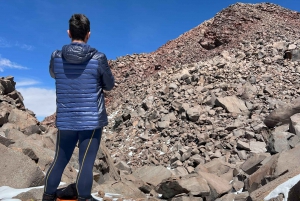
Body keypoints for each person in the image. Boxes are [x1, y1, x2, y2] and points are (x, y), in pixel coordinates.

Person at [42, 14, 115, 201]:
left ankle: (48, 197)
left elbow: (53, 74)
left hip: (66, 119)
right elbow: (109, 85)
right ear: (88, 35)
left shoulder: (56, 57)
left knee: (59, 160)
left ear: (69, 33)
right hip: (91, 122)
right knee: (85, 164)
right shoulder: (98, 58)